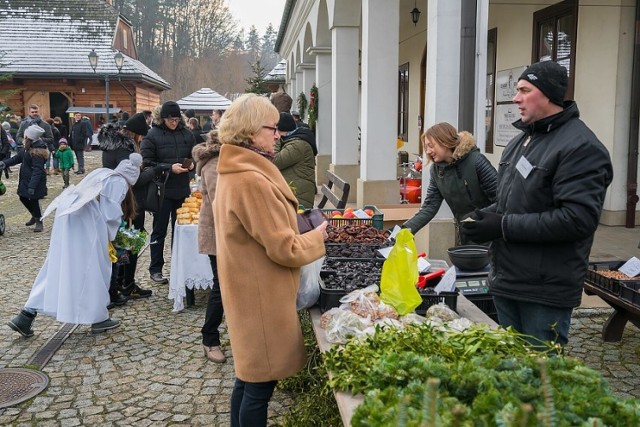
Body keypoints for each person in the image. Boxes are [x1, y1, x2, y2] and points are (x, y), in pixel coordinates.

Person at [460, 61, 614, 347]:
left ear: (548, 95)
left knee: (541, 377)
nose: (515, 98)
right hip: (507, 279)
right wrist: (484, 217)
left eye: (524, 90)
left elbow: (577, 219)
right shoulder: (522, 141)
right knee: (514, 372)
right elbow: (513, 202)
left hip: (544, 289)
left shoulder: (581, 147)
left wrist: (503, 225)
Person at [214, 93, 328, 426]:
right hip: (261, 296)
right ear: (251, 132)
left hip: (250, 290)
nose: (278, 135)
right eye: (272, 128)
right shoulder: (251, 179)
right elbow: (284, 248)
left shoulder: (237, 170)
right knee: (259, 387)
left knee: (248, 379)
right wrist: (318, 238)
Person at [6, 153, 142, 336]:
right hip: (86, 226)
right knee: (95, 269)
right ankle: (98, 318)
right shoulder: (119, 182)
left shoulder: (103, 173)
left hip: (68, 218)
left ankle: (26, 315)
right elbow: (110, 214)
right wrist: (115, 237)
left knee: (57, 265)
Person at [402, 122, 497, 245]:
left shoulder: (476, 161)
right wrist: (403, 230)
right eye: (425, 147)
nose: (428, 151)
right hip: (465, 235)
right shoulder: (436, 171)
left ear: (445, 142)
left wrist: (476, 217)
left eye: (431, 146)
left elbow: (502, 199)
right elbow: (429, 207)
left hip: (490, 234)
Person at [99, 113, 155, 303]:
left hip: (114, 200)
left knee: (120, 244)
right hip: (127, 202)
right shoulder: (126, 148)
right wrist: (152, 172)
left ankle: (120, 284)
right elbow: (135, 179)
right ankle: (126, 285)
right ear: (136, 135)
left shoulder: (111, 145)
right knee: (129, 244)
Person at [141, 101, 196, 284]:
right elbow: (147, 163)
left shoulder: (187, 134)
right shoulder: (152, 135)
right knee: (159, 230)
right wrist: (168, 168)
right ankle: (155, 269)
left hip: (182, 189)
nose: (173, 122)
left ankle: (179, 267)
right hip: (161, 190)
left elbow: (193, 155)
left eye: (175, 119)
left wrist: (192, 165)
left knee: (180, 231)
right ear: (162, 118)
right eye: (170, 120)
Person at [192, 130, 225, 364]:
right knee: (221, 287)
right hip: (218, 234)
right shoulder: (214, 161)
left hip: (227, 235)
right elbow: (220, 202)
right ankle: (209, 338)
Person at [0, 124, 49, 232]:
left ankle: (39, 221)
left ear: (30, 137)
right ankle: (34, 215)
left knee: (34, 200)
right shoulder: (28, 147)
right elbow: (17, 158)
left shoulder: (37, 151)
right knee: (23, 197)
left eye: (25, 135)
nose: (24, 136)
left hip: (34, 180)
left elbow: (37, 170)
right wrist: (4, 163)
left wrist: (32, 186)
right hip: (26, 179)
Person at [274, 112, 318, 209]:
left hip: (299, 199)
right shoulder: (294, 140)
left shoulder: (297, 145)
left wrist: (276, 141)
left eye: (275, 130)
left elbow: (274, 162)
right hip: (294, 193)